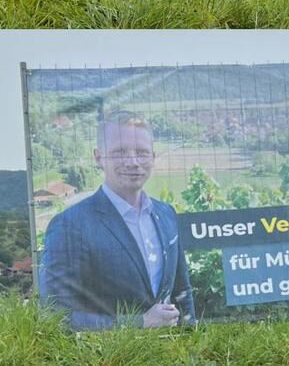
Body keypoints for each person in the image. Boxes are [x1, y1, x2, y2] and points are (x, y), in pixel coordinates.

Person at [40, 110, 196, 330]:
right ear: (98, 157)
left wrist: (191, 340)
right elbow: (54, 316)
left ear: (153, 156)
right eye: (120, 152)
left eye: (141, 152)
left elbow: (182, 292)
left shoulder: (167, 214)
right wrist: (140, 323)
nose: (133, 162)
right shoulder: (69, 225)